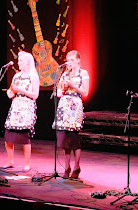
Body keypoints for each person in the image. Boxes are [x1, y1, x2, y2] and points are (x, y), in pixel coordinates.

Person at [53, 50, 89, 179]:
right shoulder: (65, 74)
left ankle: (76, 166)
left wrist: (74, 85)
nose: (70, 63)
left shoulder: (83, 73)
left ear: (78, 60)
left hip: (75, 106)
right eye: (68, 60)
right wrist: (62, 89)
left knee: (73, 139)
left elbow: (85, 93)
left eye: (72, 60)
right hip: (64, 106)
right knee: (65, 140)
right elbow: (58, 93)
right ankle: (67, 167)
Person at [2, 51, 39, 173]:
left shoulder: (33, 76)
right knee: (8, 135)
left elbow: (35, 95)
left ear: (27, 62)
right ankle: (10, 161)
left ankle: (27, 163)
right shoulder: (16, 76)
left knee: (24, 137)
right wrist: (12, 91)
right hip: (16, 107)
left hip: (27, 107)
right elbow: (9, 94)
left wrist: (22, 90)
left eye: (21, 61)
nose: (18, 63)